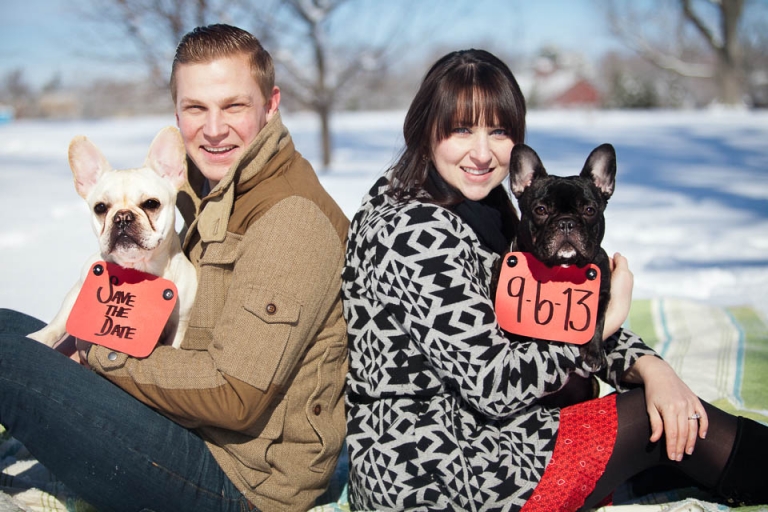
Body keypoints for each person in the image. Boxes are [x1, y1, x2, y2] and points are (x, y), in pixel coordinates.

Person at [341, 48, 767, 511]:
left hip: (484, 435)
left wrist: (651, 368)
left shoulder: (483, 209)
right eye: (462, 129)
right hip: (435, 468)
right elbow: (494, 383)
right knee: (650, 420)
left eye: (499, 131)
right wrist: (598, 327)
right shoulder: (412, 233)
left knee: (673, 420)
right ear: (426, 130)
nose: (482, 152)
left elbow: (553, 319)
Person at [0, 24, 349, 511]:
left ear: (271, 106)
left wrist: (98, 352)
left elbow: (234, 395)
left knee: (9, 362)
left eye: (233, 106)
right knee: (4, 328)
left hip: (242, 479)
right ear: (177, 112)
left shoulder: (291, 221)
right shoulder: (205, 186)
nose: (212, 129)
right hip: (184, 419)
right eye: (195, 108)